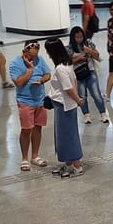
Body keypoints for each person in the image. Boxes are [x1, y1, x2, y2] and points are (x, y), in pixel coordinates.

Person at [10, 40, 53, 170]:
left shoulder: (40, 59)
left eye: (36, 55)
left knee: (38, 127)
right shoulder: (15, 63)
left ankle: (35, 156)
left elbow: (48, 74)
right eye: (32, 55)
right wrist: (29, 69)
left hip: (39, 100)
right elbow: (18, 82)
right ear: (25, 51)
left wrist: (41, 80)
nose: (34, 58)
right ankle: (24, 158)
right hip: (25, 101)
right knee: (26, 129)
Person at [46, 38, 85, 178]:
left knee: (69, 136)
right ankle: (68, 164)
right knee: (63, 137)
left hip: (65, 106)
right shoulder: (66, 64)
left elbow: (68, 88)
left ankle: (77, 165)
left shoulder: (60, 68)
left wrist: (78, 100)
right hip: (63, 105)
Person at [69, 26, 109, 124]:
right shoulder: (69, 47)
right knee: (82, 96)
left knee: (96, 94)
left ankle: (103, 113)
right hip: (78, 75)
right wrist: (79, 59)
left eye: (81, 36)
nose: (79, 39)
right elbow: (68, 62)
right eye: (77, 37)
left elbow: (97, 55)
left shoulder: (88, 43)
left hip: (90, 72)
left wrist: (89, 51)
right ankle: (86, 115)